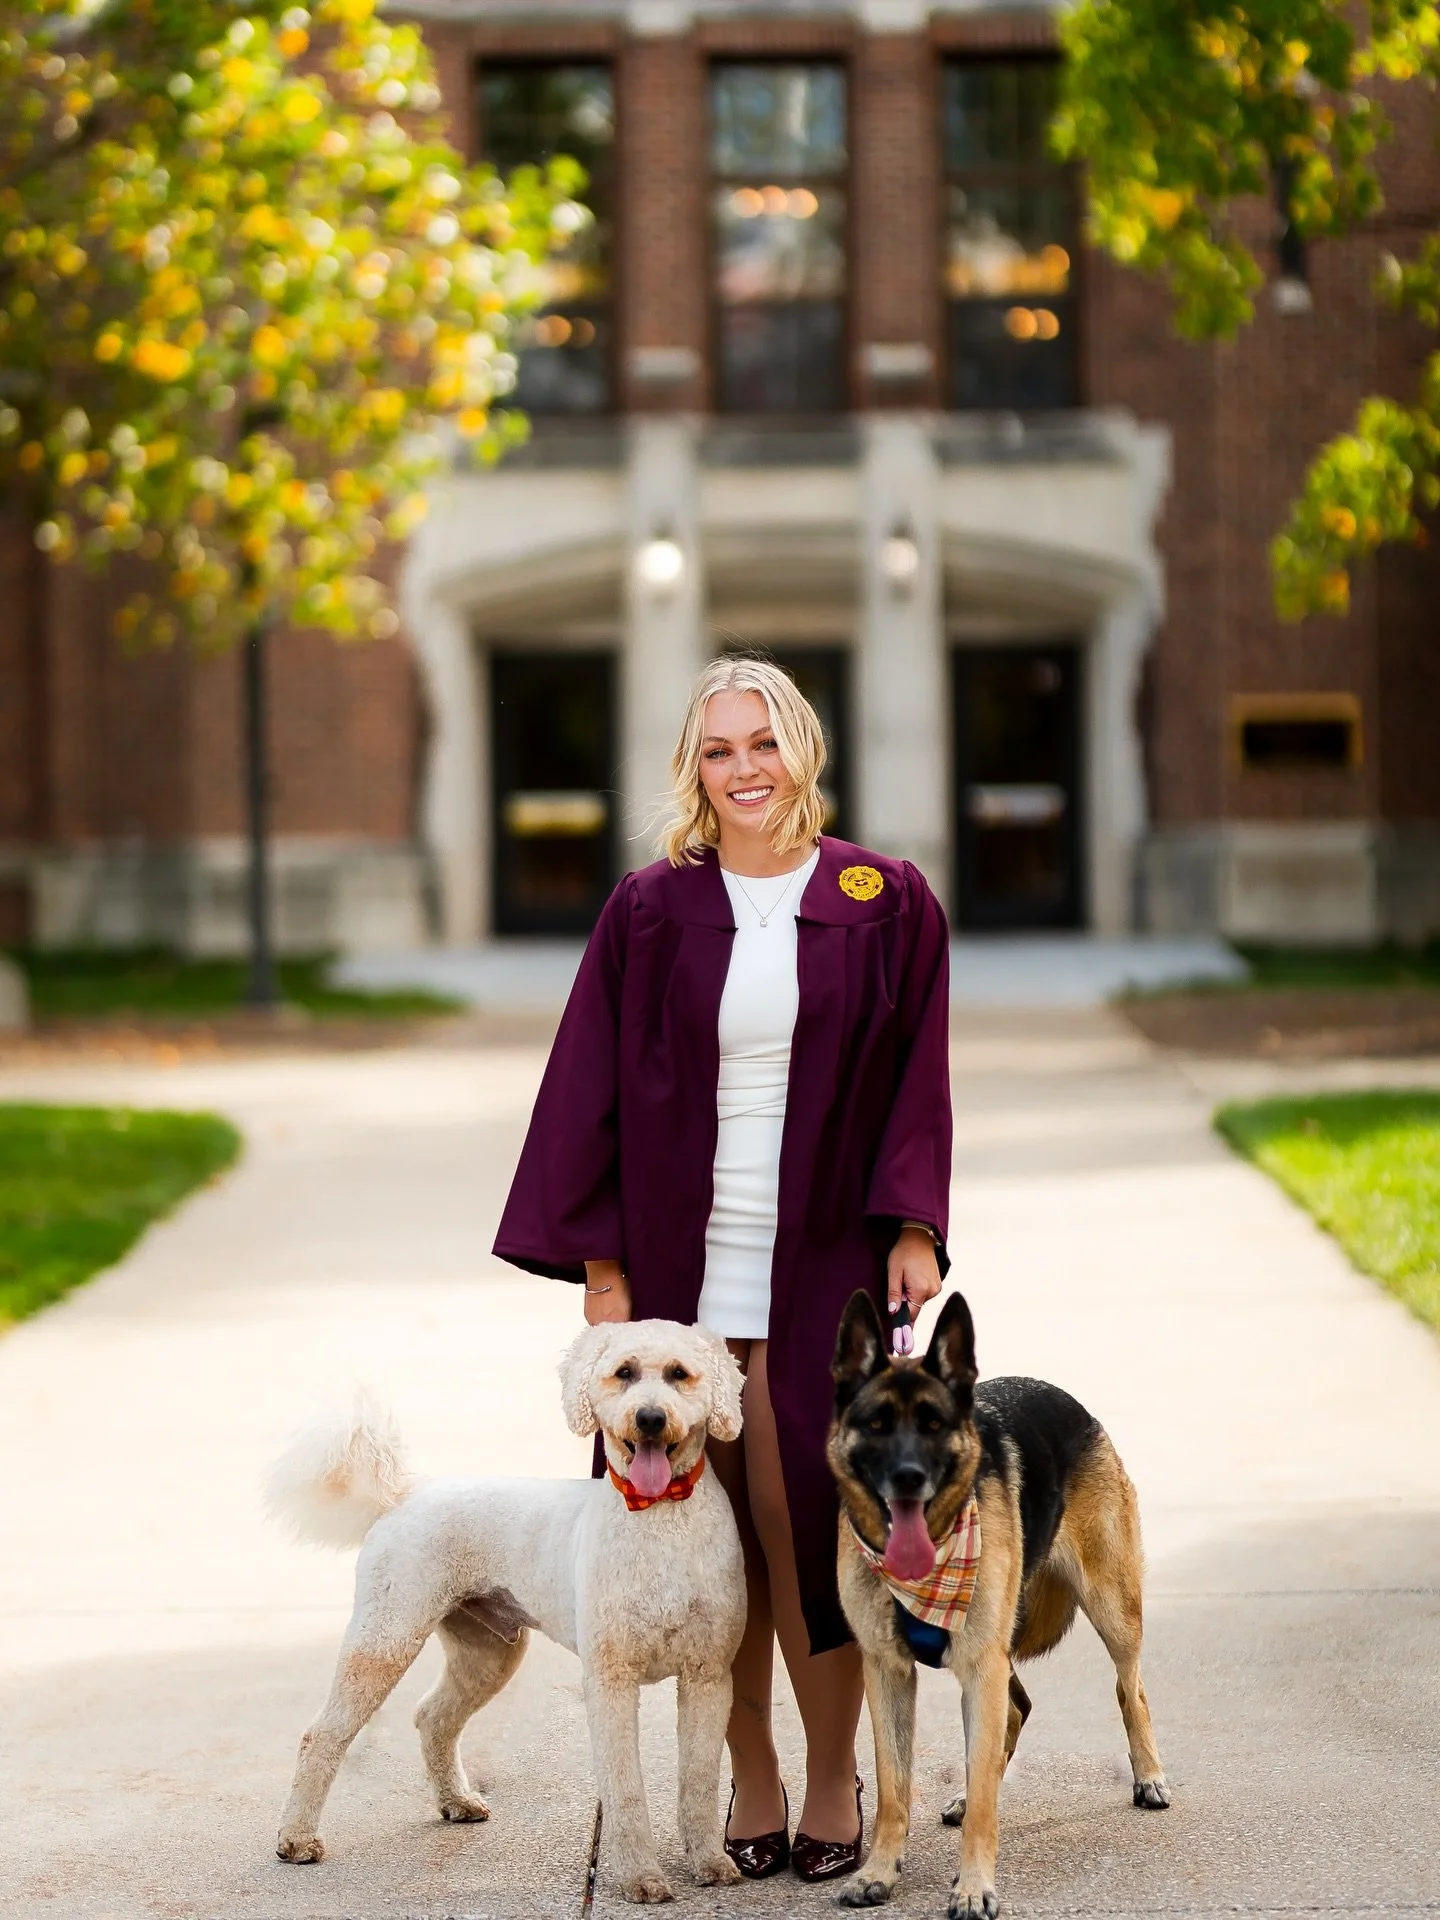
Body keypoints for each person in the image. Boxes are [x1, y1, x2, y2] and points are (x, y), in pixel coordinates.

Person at [494, 656, 953, 1882]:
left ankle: (833, 1776)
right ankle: (749, 1774)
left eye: (763, 743)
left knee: (814, 1525)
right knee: (704, 1543)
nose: (745, 770)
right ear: (692, 770)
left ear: (802, 749)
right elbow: (584, 1087)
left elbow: (920, 1075)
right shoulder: (650, 910)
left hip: (826, 1257)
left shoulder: (883, 899)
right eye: (718, 750)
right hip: (676, 1261)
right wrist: (602, 1272)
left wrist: (912, 1225)